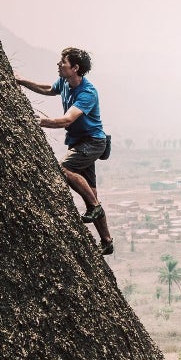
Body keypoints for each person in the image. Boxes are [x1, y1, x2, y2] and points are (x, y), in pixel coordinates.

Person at [16, 47, 114, 256]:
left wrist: (39, 121)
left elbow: (68, 119)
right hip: (79, 142)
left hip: (93, 142)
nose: (59, 65)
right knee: (91, 192)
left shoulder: (87, 92)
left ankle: (94, 207)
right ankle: (106, 241)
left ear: (75, 68)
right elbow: (48, 89)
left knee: (64, 168)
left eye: (63, 62)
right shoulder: (65, 83)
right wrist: (22, 80)